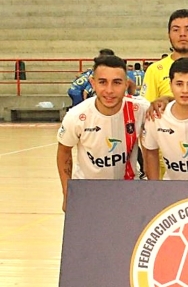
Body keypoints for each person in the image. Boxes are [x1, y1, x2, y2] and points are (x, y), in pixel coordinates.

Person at [57, 55, 148, 212]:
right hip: (87, 192)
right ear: (93, 83)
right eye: (102, 82)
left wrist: (164, 100)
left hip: (128, 191)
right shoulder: (76, 115)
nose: (109, 90)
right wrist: (67, 192)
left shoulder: (140, 109)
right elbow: (64, 152)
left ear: (126, 84)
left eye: (117, 82)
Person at [141, 9, 188, 108]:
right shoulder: (154, 70)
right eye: (176, 30)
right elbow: (146, 107)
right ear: (168, 34)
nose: (182, 34)